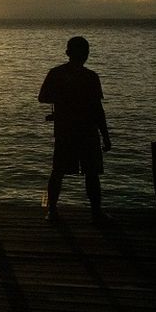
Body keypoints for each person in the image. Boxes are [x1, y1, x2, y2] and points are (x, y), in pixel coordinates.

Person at [38, 36, 111, 223]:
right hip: (83, 132)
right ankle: (93, 213)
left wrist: (62, 98)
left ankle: (53, 211)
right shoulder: (89, 77)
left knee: (61, 172)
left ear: (67, 52)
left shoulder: (58, 73)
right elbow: (97, 110)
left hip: (69, 131)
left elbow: (43, 97)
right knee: (89, 173)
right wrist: (105, 135)